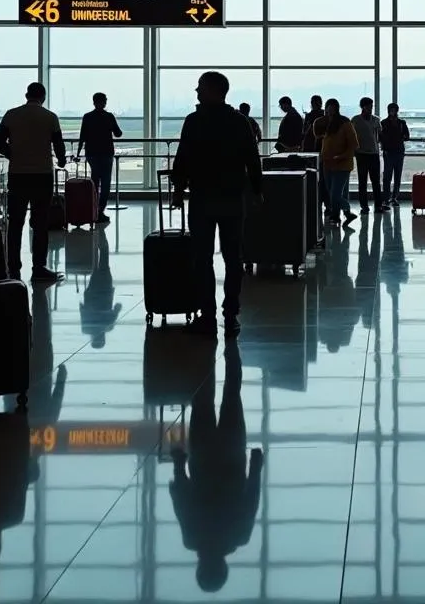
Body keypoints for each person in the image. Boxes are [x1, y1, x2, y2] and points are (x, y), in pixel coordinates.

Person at [171, 71, 263, 339]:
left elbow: (183, 157)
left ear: (212, 90)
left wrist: (178, 190)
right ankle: (231, 314)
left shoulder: (194, 121)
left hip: (202, 198)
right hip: (233, 198)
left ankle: (207, 316)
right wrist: (257, 191)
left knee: (202, 258)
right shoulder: (239, 122)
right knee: (233, 258)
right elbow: (252, 158)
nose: (196, 92)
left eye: (200, 87)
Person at [170, 341, 263, 594]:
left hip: (232, 454)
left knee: (232, 394)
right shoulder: (192, 538)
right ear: (201, 569)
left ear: (224, 568)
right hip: (202, 457)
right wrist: (179, 466)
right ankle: (207, 348)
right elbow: (183, 501)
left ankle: (232, 346)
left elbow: (251, 499)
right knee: (202, 400)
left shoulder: (239, 536)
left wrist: (256, 467)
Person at [0, 82, 65, 284]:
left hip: (18, 175)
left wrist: (12, 154)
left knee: (16, 223)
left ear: (26, 95)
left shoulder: (11, 115)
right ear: (43, 97)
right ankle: (39, 267)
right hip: (42, 175)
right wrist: (61, 160)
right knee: (41, 223)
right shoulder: (50, 117)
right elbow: (59, 146)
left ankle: (13, 268)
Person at [75, 92, 122, 223]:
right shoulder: (109, 116)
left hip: (91, 153)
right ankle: (100, 211)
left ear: (94, 102)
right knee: (106, 182)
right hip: (106, 153)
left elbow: (82, 136)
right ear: (104, 102)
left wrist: (78, 152)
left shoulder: (87, 117)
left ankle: (93, 210)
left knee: (94, 182)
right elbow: (118, 133)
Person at [318, 98, 358, 227]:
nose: (329, 111)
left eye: (331, 108)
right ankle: (337, 216)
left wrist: (341, 156)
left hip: (342, 164)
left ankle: (347, 210)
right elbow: (316, 133)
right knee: (332, 193)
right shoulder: (327, 124)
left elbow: (353, 144)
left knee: (335, 194)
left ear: (336, 108)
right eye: (327, 108)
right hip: (328, 163)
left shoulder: (345, 123)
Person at [351, 97, 388, 215]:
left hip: (373, 154)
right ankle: (364, 206)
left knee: (376, 181)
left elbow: (380, 135)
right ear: (363, 107)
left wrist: (383, 147)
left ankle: (378, 205)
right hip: (361, 154)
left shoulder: (376, 120)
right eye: (368, 107)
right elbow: (352, 136)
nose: (370, 109)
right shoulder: (355, 120)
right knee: (362, 181)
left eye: (371, 106)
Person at [380, 102, 410, 205]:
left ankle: (394, 197)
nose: (393, 112)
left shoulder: (401, 123)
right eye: (391, 110)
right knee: (387, 176)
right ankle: (386, 198)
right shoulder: (383, 123)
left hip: (398, 152)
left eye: (394, 110)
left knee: (397, 175)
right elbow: (380, 137)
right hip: (389, 152)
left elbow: (407, 136)